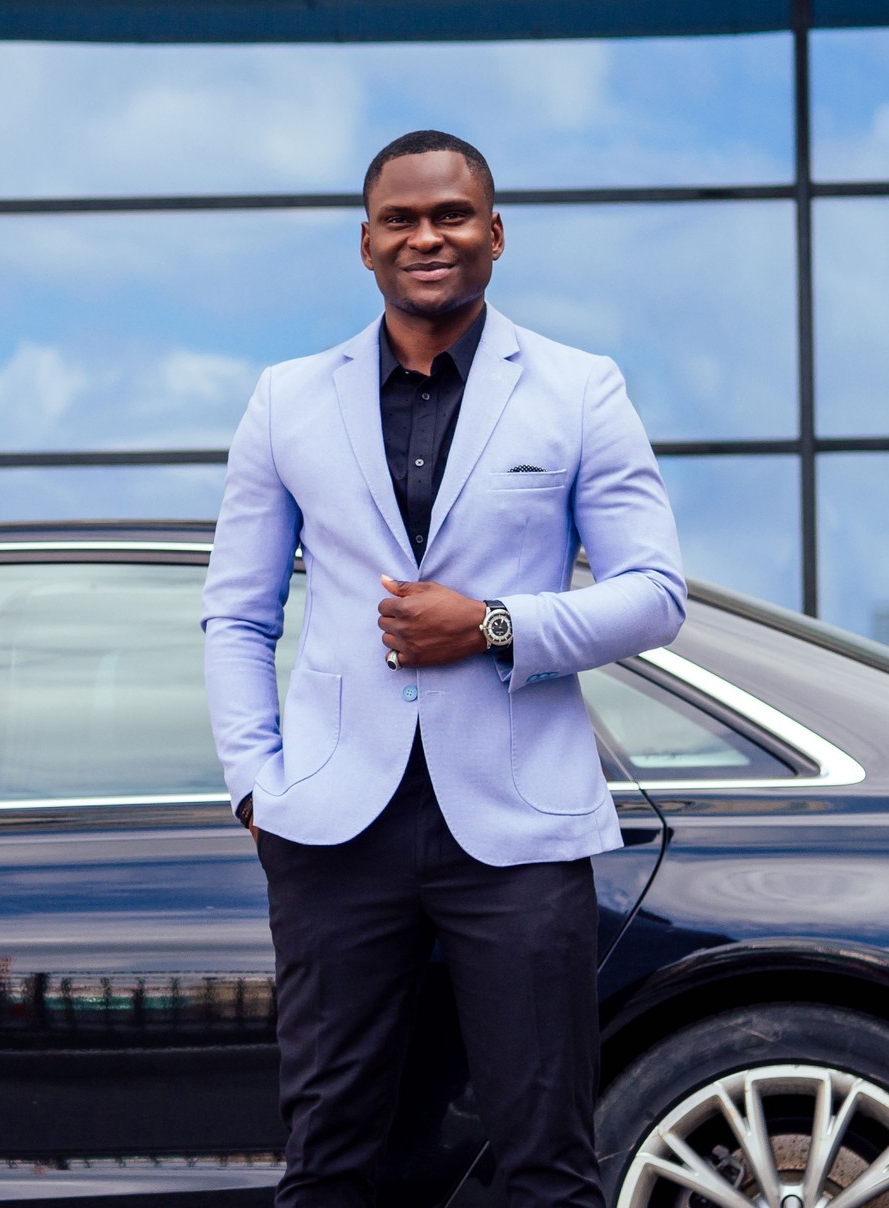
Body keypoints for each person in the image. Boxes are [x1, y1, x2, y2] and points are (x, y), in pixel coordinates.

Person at [201, 129, 685, 1208]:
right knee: (333, 1162)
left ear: (496, 233)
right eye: (402, 219)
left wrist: (494, 624)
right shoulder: (286, 398)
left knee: (547, 1163)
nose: (429, 236)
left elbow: (656, 592)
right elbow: (235, 615)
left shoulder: (578, 388)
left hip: (517, 828)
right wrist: (256, 786)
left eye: (453, 215)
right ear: (365, 244)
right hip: (332, 829)